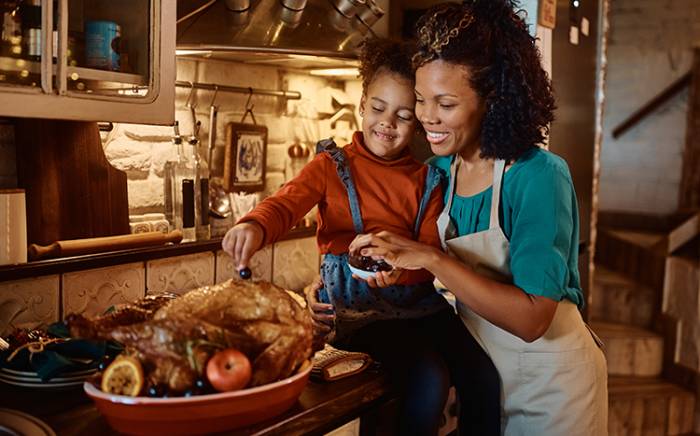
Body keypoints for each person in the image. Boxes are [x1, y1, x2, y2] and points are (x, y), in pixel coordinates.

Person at [349, 1, 609, 435]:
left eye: (446, 103)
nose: (427, 117)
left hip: (554, 393)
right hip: (482, 384)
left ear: (493, 99)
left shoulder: (538, 177)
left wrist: (432, 261)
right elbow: (425, 275)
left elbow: (532, 319)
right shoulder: (438, 174)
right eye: (421, 100)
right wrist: (365, 275)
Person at [222, 37, 500, 435]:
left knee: (483, 377)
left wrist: (401, 272)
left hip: (423, 308)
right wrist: (254, 224)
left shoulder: (429, 180)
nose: (387, 123)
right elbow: (285, 204)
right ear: (361, 106)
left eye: (404, 115)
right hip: (360, 317)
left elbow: (428, 260)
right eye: (378, 108)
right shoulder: (329, 166)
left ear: (418, 122)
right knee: (430, 379)